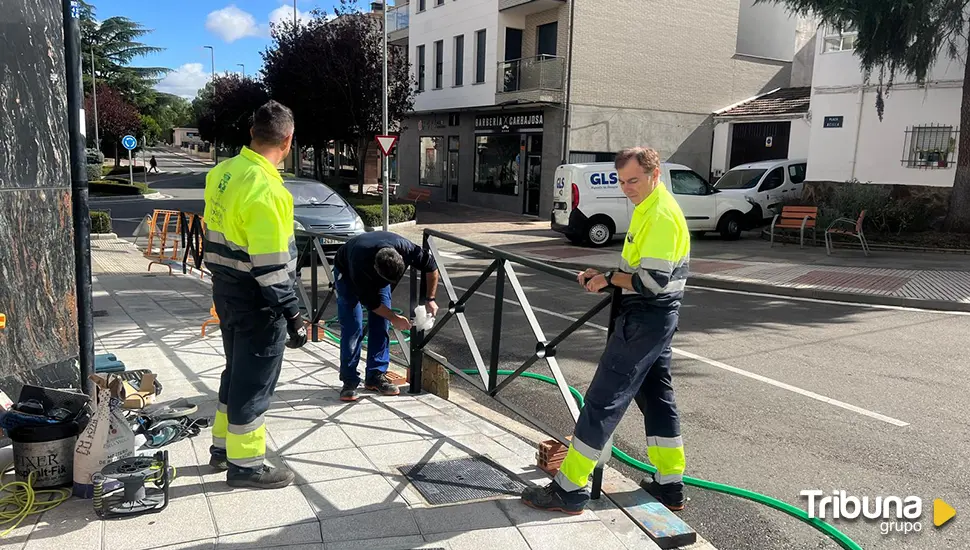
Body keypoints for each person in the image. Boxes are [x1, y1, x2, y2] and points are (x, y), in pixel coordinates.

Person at [521, 146, 691, 514]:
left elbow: (653, 281)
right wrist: (607, 279)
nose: (627, 187)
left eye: (634, 180)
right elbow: (641, 272)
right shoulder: (650, 208)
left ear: (654, 175)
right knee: (657, 397)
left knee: (602, 399)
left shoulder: (660, 215)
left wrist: (609, 279)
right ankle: (670, 484)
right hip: (654, 318)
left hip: (645, 317)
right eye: (622, 180)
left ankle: (569, 488)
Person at [202, 100, 306, 490]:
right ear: (289, 140)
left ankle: (221, 449)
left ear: (252, 133)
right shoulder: (269, 192)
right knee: (255, 381)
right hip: (257, 301)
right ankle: (245, 467)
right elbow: (272, 268)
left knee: (236, 371)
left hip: (225, 290)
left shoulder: (222, 174)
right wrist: (294, 316)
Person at [333, 231, 440, 401]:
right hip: (346, 273)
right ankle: (349, 381)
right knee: (353, 326)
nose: (389, 285)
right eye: (386, 281)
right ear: (376, 268)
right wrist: (395, 318)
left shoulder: (407, 249)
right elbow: (372, 304)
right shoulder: (360, 262)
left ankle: (375, 376)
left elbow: (432, 267)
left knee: (381, 323)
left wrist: (431, 299)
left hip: (377, 267)